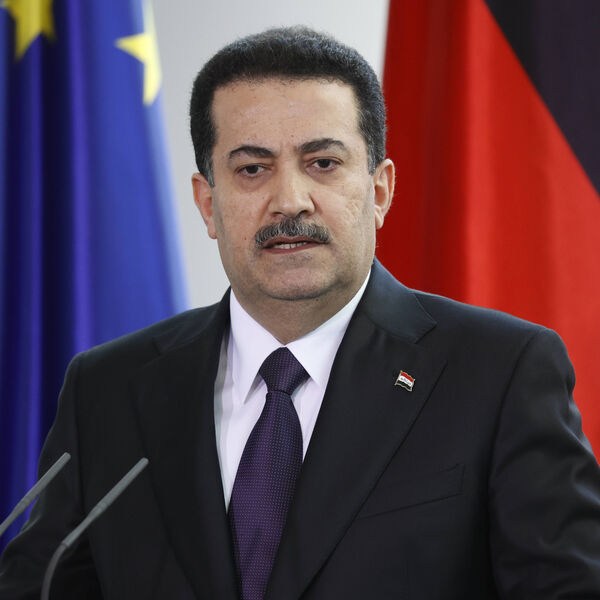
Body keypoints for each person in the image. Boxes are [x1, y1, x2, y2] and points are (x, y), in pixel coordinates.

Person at [1, 26, 600, 600]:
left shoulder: (498, 373)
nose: (289, 201)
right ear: (208, 204)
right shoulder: (108, 389)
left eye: (323, 163)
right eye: (252, 169)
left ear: (380, 191)